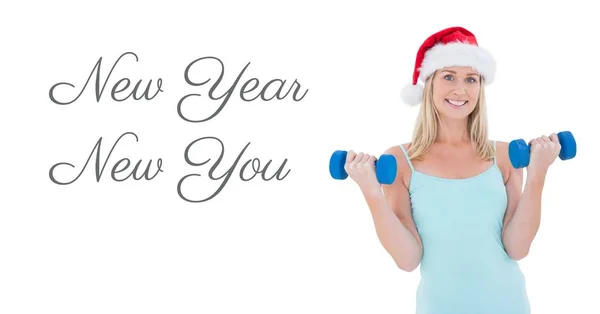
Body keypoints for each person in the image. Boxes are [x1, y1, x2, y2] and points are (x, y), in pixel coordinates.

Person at [343, 26, 562, 314]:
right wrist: (371, 192)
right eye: (449, 77)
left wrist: (538, 174)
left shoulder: (505, 156)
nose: (461, 89)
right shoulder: (400, 161)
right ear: (430, 83)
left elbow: (517, 248)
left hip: (508, 305)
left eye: (471, 79)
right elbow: (407, 259)